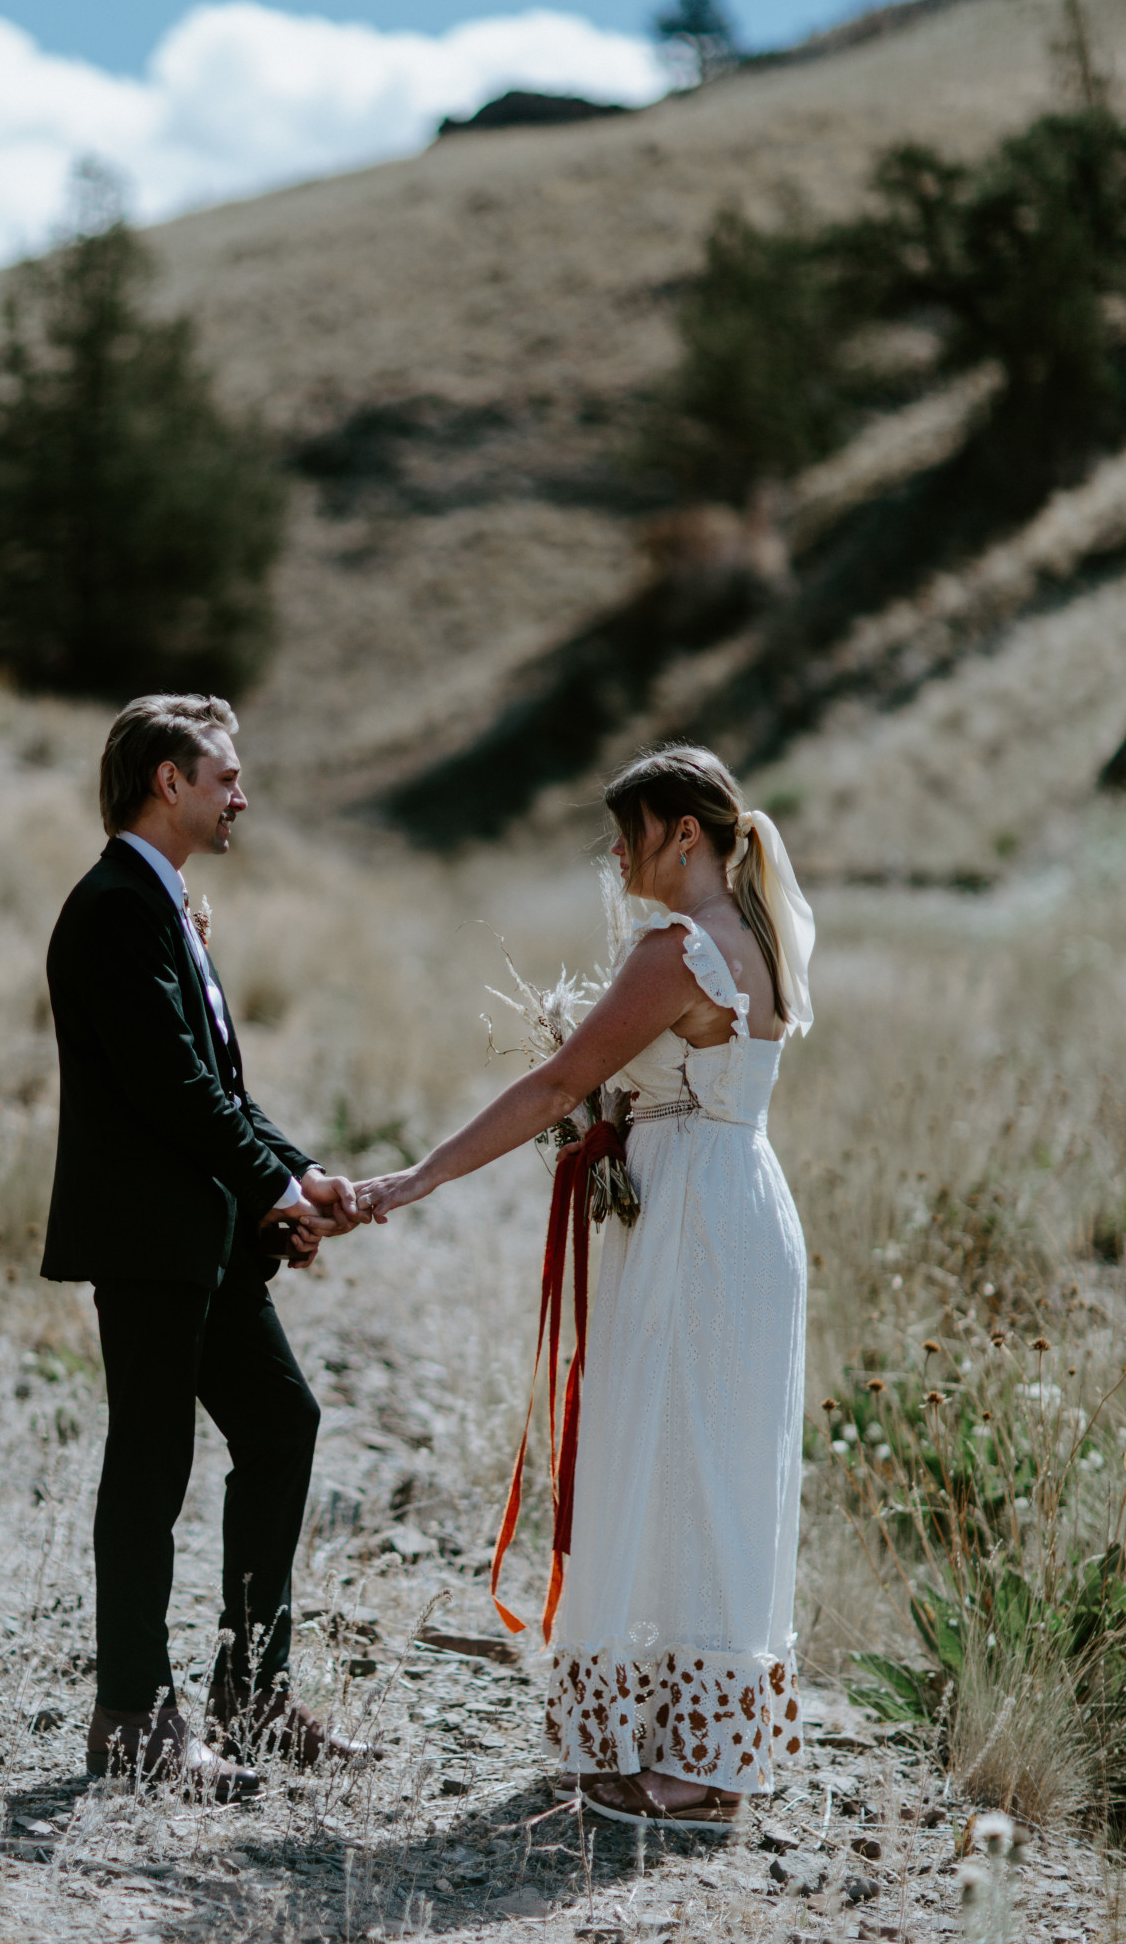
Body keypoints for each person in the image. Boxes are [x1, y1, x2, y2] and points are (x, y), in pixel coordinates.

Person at [355, 744, 813, 1827]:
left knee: (684, 1462)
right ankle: (690, 1735)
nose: (612, 853)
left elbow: (561, 1078)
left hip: (693, 1221)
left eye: (628, 831)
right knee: (706, 1464)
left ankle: (698, 1770)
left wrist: (420, 1176)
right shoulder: (755, 932)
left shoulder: (677, 948)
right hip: (735, 1199)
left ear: (683, 834)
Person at [42, 692, 366, 1796]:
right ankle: (132, 1720)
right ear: (166, 781)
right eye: (224, 775)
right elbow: (172, 1090)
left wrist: (298, 1173)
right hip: (147, 1240)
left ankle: (252, 1693)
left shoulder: (164, 902)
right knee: (149, 1464)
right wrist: (275, 1185)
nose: (242, 794)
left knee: (281, 1421)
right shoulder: (112, 910)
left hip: (209, 1239)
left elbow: (220, 1086)